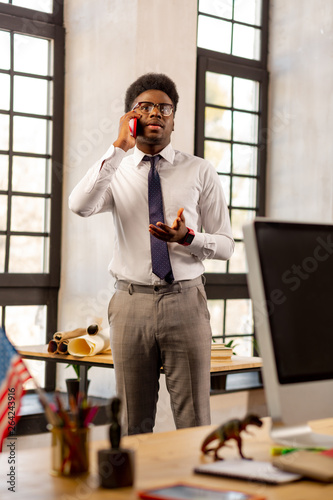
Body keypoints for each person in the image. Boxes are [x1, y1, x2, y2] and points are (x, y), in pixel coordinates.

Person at [69, 73, 234, 435]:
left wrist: (188, 237)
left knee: (193, 421)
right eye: (145, 107)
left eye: (164, 107)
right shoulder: (116, 170)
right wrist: (117, 147)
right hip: (130, 305)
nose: (156, 113)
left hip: (186, 303)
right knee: (132, 423)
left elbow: (226, 244)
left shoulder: (199, 170)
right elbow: (79, 205)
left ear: (174, 118)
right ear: (131, 115)